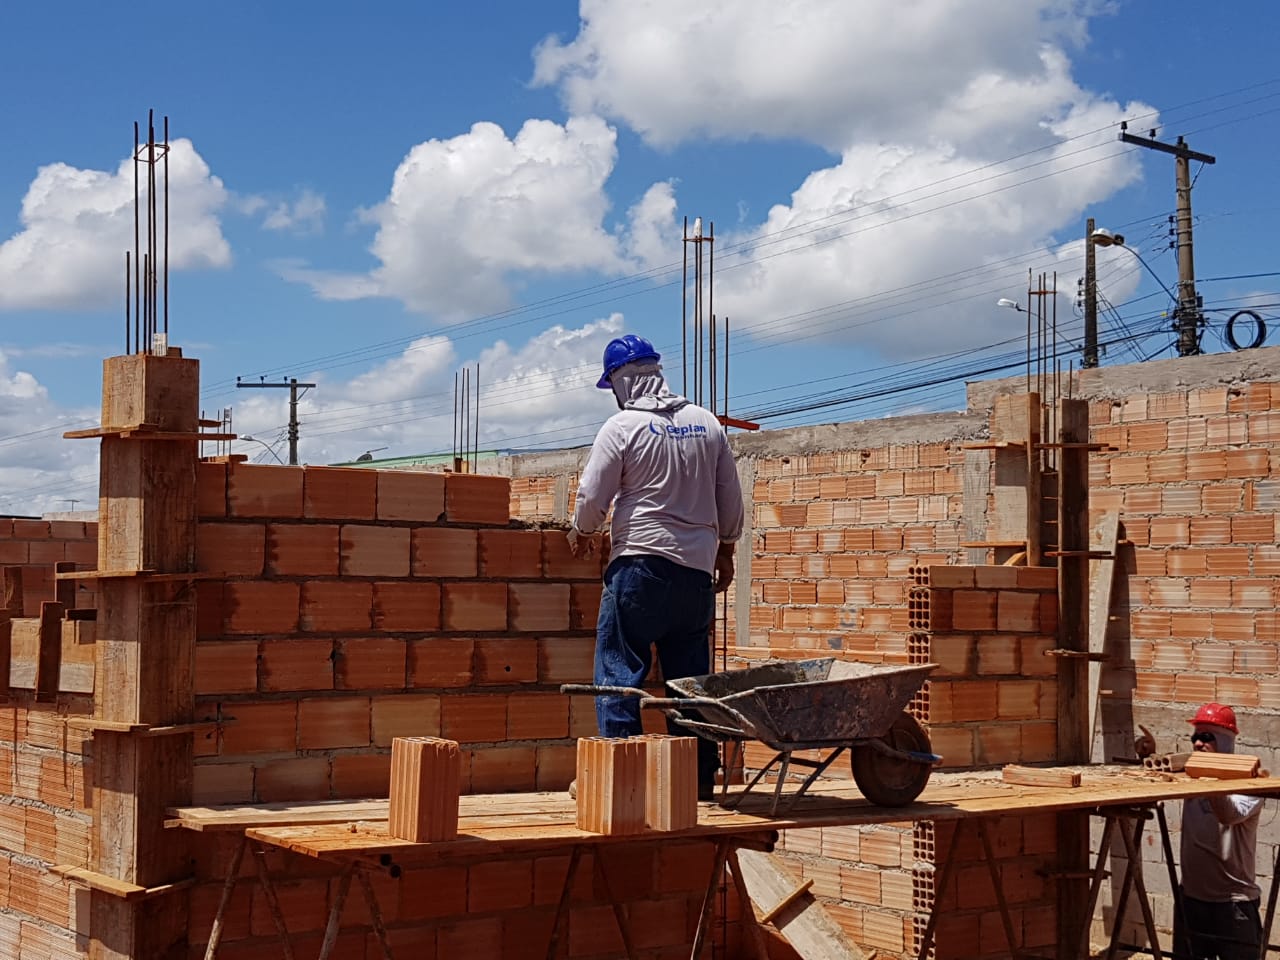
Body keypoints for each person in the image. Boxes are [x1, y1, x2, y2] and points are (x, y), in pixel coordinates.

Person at [568, 333, 744, 801]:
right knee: (688, 683)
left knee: (619, 672)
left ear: (621, 381)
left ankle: (622, 784)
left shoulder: (622, 428)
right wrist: (725, 550)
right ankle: (698, 783)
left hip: (640, 568)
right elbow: (730, 497)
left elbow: (592, 497)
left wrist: (583, 532)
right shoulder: (706, 424)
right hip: (695, 577)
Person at [1175, 702, 1264, 960]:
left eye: (1206, 737)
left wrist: (1209, 777)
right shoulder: (1192, 775)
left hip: (1233, 905)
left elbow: (1228, 814)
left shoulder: (1251, 783)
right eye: (1195, 738)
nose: (1198, 744)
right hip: (1192, 900)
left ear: (1225, 742)